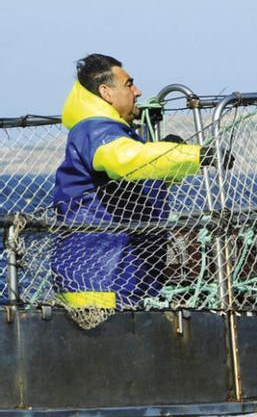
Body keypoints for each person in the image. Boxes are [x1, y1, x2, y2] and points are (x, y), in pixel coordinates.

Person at [52, 54, 228, 310]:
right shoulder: (95, 130)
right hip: (99, 285)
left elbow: (141, 180)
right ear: (106, 92)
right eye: (128, 84)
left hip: (126, 282)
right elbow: (124, 161)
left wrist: (170, 156)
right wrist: (196, 155)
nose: (137, 91)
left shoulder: (116, 133)